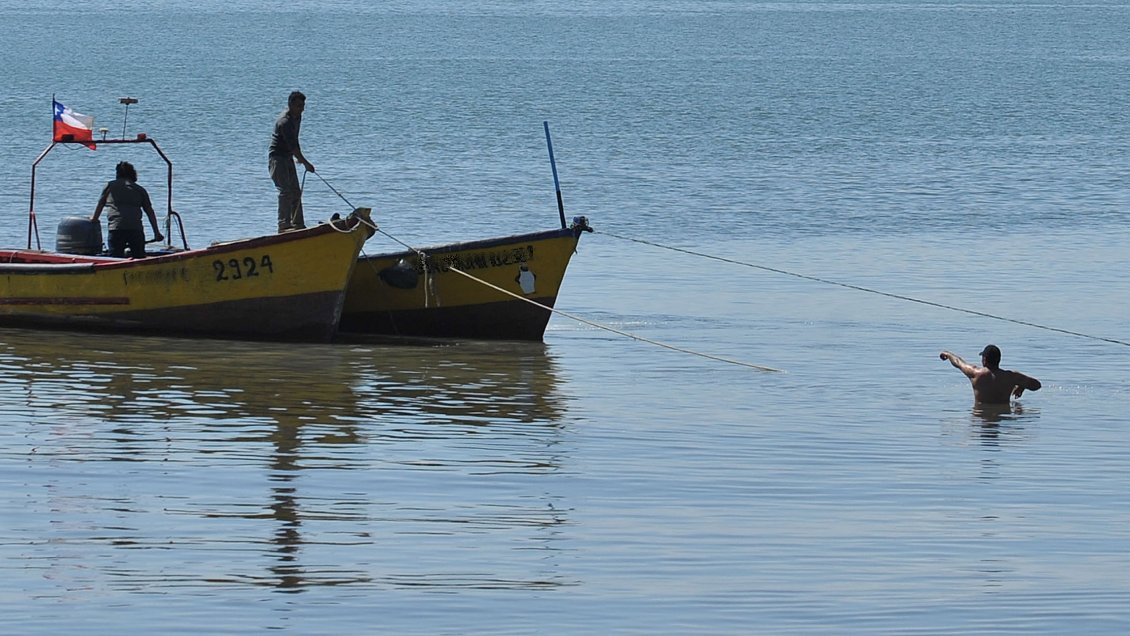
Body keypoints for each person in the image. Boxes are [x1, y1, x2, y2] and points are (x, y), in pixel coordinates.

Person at [91, 161, 164, 258]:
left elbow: (100, 205)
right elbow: (150, 212)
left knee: (115, 259)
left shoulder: (110, 186)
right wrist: (156, 232)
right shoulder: (139, 189)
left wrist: (94, 219)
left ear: (118, 174)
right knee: (139, 258)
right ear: (133, 174)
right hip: (135, 229)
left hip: (116, 229)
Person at [269, 90, 316, 232]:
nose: (301, 109)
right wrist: (306, 163)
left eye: (303, 106)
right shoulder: (285, 121)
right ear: (290, 105)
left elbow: (295, 141)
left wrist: (298, 159)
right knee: (285, 191)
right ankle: (284, 225)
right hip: (277, 159)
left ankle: (298, 224)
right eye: (298, 106)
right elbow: (292, 145)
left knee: (296, 191)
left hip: (288, 157)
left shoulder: (298, 117)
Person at [939, 344, 1041, 404]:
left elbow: (958, 362)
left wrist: (948, 354)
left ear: (984, 359)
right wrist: (1022, 385)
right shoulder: (1011, 377)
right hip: (1002, 419)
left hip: (980, 417)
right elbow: (1037, 385)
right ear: (999, 359)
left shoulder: (975, 373)